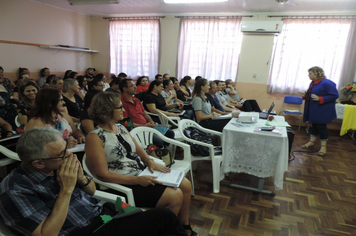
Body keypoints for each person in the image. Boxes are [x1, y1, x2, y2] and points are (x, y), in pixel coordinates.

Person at [0, 128, 188, 236]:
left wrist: (81, 179)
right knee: (164, 217)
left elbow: (91, 190)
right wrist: (66, 189)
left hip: (103, 216)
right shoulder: (15, 188)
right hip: (84, 231)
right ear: (38, 163)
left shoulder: (56, 167)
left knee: (162, 219)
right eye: (61, 154)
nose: (69, 156)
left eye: (66, 149)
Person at [85, 92, 197, 236]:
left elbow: (137, 148)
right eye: (119, 107)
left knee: (185, 184)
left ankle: (183, 225)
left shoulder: (121, 127)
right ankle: (163, 230)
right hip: (122, 184)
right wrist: (137, 180)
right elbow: (103, 175)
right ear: (107, 111)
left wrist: (150, 161)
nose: (123, 110)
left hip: (140, 173)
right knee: (174, 196)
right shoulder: (94, 137)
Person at [120, 79, 175, 147]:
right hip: (137, 130)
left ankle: (162, 152)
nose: (135, 87)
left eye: (135, 85)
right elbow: (126, 123)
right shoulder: (121, 103)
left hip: (147, 125)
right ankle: (157, 152)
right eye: (132, 86)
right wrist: (144, 126)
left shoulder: (136, 100)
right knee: (159, 140)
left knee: (170, 133)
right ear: (125, 89)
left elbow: (144, 114)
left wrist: (151, 121)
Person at [299, 66, 338, 156]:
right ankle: (311, 142)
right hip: (315, 109)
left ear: (316, 73)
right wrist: (305, 95)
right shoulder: (313, 83)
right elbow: (313, 95)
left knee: (321, 127)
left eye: (310, 73)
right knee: (315, 125)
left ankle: (323, 147)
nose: (309, 75)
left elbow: (334, 95)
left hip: (323, 110)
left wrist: (320, 98)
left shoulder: (327, 83)